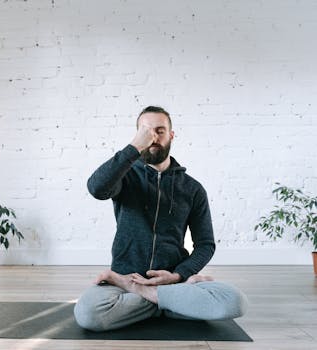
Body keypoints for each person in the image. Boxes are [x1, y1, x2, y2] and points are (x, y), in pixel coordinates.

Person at [74, 106, 248, 331]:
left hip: (173, 283)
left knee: (235, 301)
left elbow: (205, 245)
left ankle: (151, 297)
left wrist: (178, 275)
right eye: (146, 131)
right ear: (137, 135)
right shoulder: (124, 178)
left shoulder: (193, 189)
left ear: (171, 135)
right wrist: (135, 147)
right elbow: (96, 188)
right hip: (125, 280)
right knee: (88, 313)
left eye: (160, 131)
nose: (153, 137)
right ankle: (168, 304)